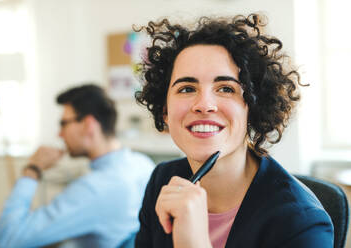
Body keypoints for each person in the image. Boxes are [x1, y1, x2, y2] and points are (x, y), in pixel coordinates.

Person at [134, 14, 334, 248]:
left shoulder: (302, 222)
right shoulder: (164, 181)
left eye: (226, 88)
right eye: (187, 88)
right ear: (164, 110)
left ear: (254, 107)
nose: (204, 104)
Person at [0, 84, 155, 248]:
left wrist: (32, 170)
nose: (59, 134)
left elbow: (7, 241)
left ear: (88, 125)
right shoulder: (143, 163)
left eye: (63, 123)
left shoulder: (94, 189)